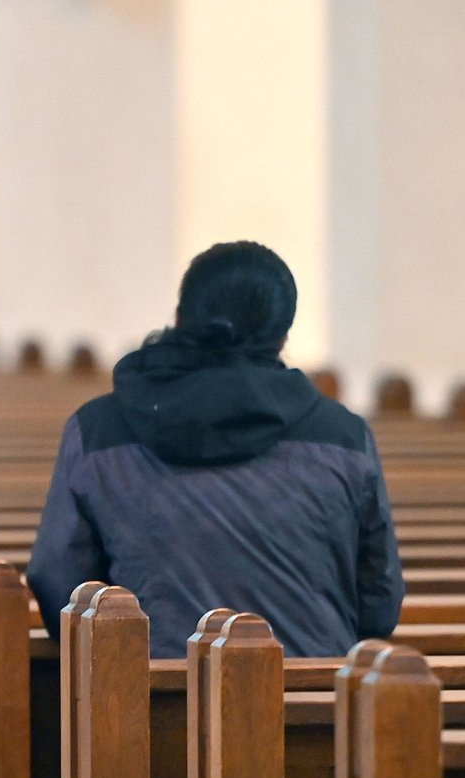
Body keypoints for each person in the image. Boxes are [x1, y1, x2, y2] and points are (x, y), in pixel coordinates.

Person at [26, 241, 404, 658]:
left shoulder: (98, 431)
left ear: (180, 318)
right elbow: (378, 605)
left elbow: (60, 589)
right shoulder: (344, 436)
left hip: (149, 710)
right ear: (282, 336)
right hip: (318, 701)